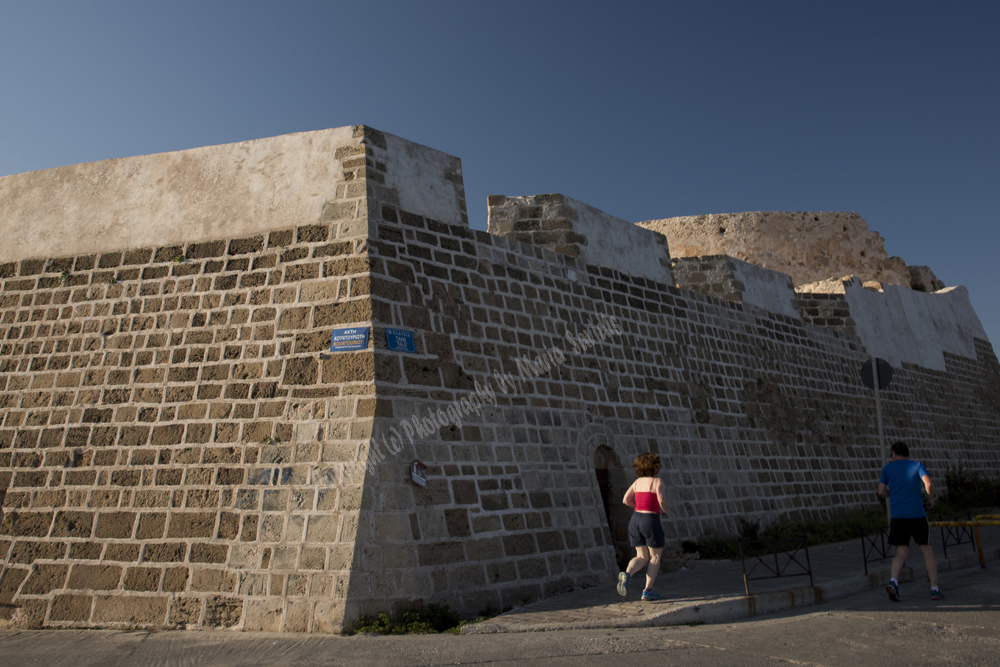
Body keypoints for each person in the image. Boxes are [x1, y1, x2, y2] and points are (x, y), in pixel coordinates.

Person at [878, 441, 943, 601]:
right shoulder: (917, 465)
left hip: (898, 517)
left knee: (901, 552)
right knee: (927, 551)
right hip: (917, 514)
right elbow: (928, 483)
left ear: (894, 454)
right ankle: (934, 589)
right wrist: (931, 499)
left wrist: (891, 494)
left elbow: (881, 491)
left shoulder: (887, 469)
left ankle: (893, 581)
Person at [617, 452, 668, 601]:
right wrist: (665, 510)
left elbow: (626, 500)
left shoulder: (637, 482)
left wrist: (637, 506)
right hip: (650, 519)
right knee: (655, 557)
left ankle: (626, 575)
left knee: (640, 556)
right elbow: (662, 498)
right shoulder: (656, 482)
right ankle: (647, 590)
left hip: (635, 519)